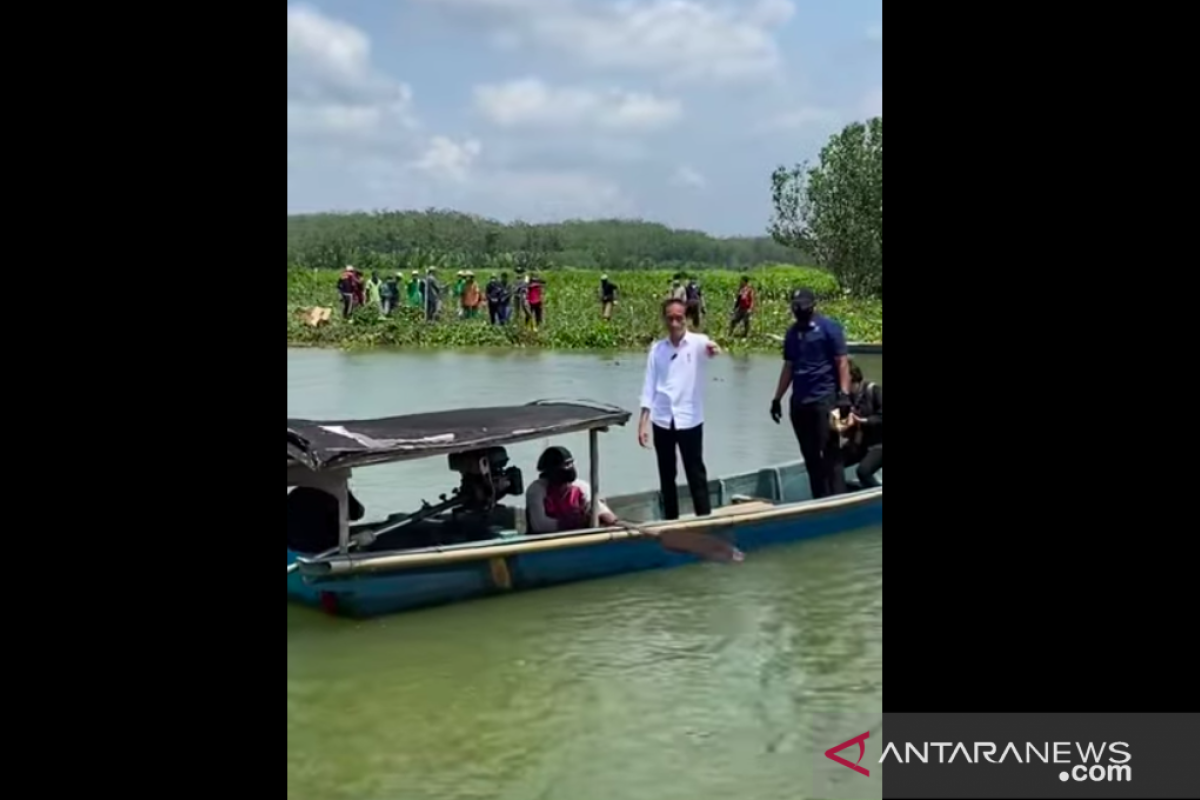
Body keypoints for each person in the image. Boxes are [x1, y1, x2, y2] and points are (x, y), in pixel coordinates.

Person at [638, 297, 721, 520]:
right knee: (667, 474)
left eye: (679, 318)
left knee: (695, 472)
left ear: (686, 319)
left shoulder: (697, 342)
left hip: (690, 418)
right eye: (670, 318)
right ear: (664, 319)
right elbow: (649, 386)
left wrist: (714, 349)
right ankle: (671, 521)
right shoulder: (657, 349)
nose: (674, 323)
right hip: (662, 418)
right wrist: (643, 422)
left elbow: (710, 349)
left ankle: (704, 519)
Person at [769, 288, 852, 499]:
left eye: (802, 306)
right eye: (796, 306)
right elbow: (789, 366)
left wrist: (844, 394)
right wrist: (777, 398)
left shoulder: (829, 328)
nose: (799, 310)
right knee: (810, 456)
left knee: (831, 453)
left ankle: (839, 499)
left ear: (813, 305)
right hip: (800, 403)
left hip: (827, 400)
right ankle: (819, 499)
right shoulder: (791, 333)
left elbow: (842, 362)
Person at [525, 446, 617, 534]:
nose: (564, 487)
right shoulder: (536, 490)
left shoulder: (581, 487)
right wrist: (577, 522)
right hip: (545, 543)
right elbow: (540, 525)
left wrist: (607, 518)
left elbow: (599, 509)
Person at [286, 485, 365, 555]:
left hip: (293, 546)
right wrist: (347, 492)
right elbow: (357, 513)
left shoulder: (296, 493)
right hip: (327, 549)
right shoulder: (337, 490)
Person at [842, 361, 883, 488]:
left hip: (879, 444)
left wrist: (863, 421)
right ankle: (842, 494)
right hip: (860, 443)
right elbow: (840, 423)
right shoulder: (844, 398)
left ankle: (876, 496)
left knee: (863, 472)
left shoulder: (874, 391)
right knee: (833, 465)